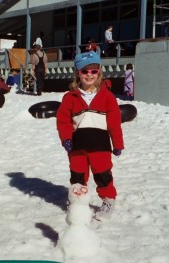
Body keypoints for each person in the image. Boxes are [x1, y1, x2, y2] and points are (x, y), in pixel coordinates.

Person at [56, 51, 124, 220]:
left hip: (100, 145)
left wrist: (117, 143)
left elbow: (114, 122)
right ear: (78, 72)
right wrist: (66, 139)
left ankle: (108, 200)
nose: (89, 75)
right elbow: (63, 121)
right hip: (77, 145)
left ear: (99, 72)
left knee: (103, 174)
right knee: (77, 175)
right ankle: (78, 203)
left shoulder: (107, 96)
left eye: (93, 71)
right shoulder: (70, 97)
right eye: (85, 71)